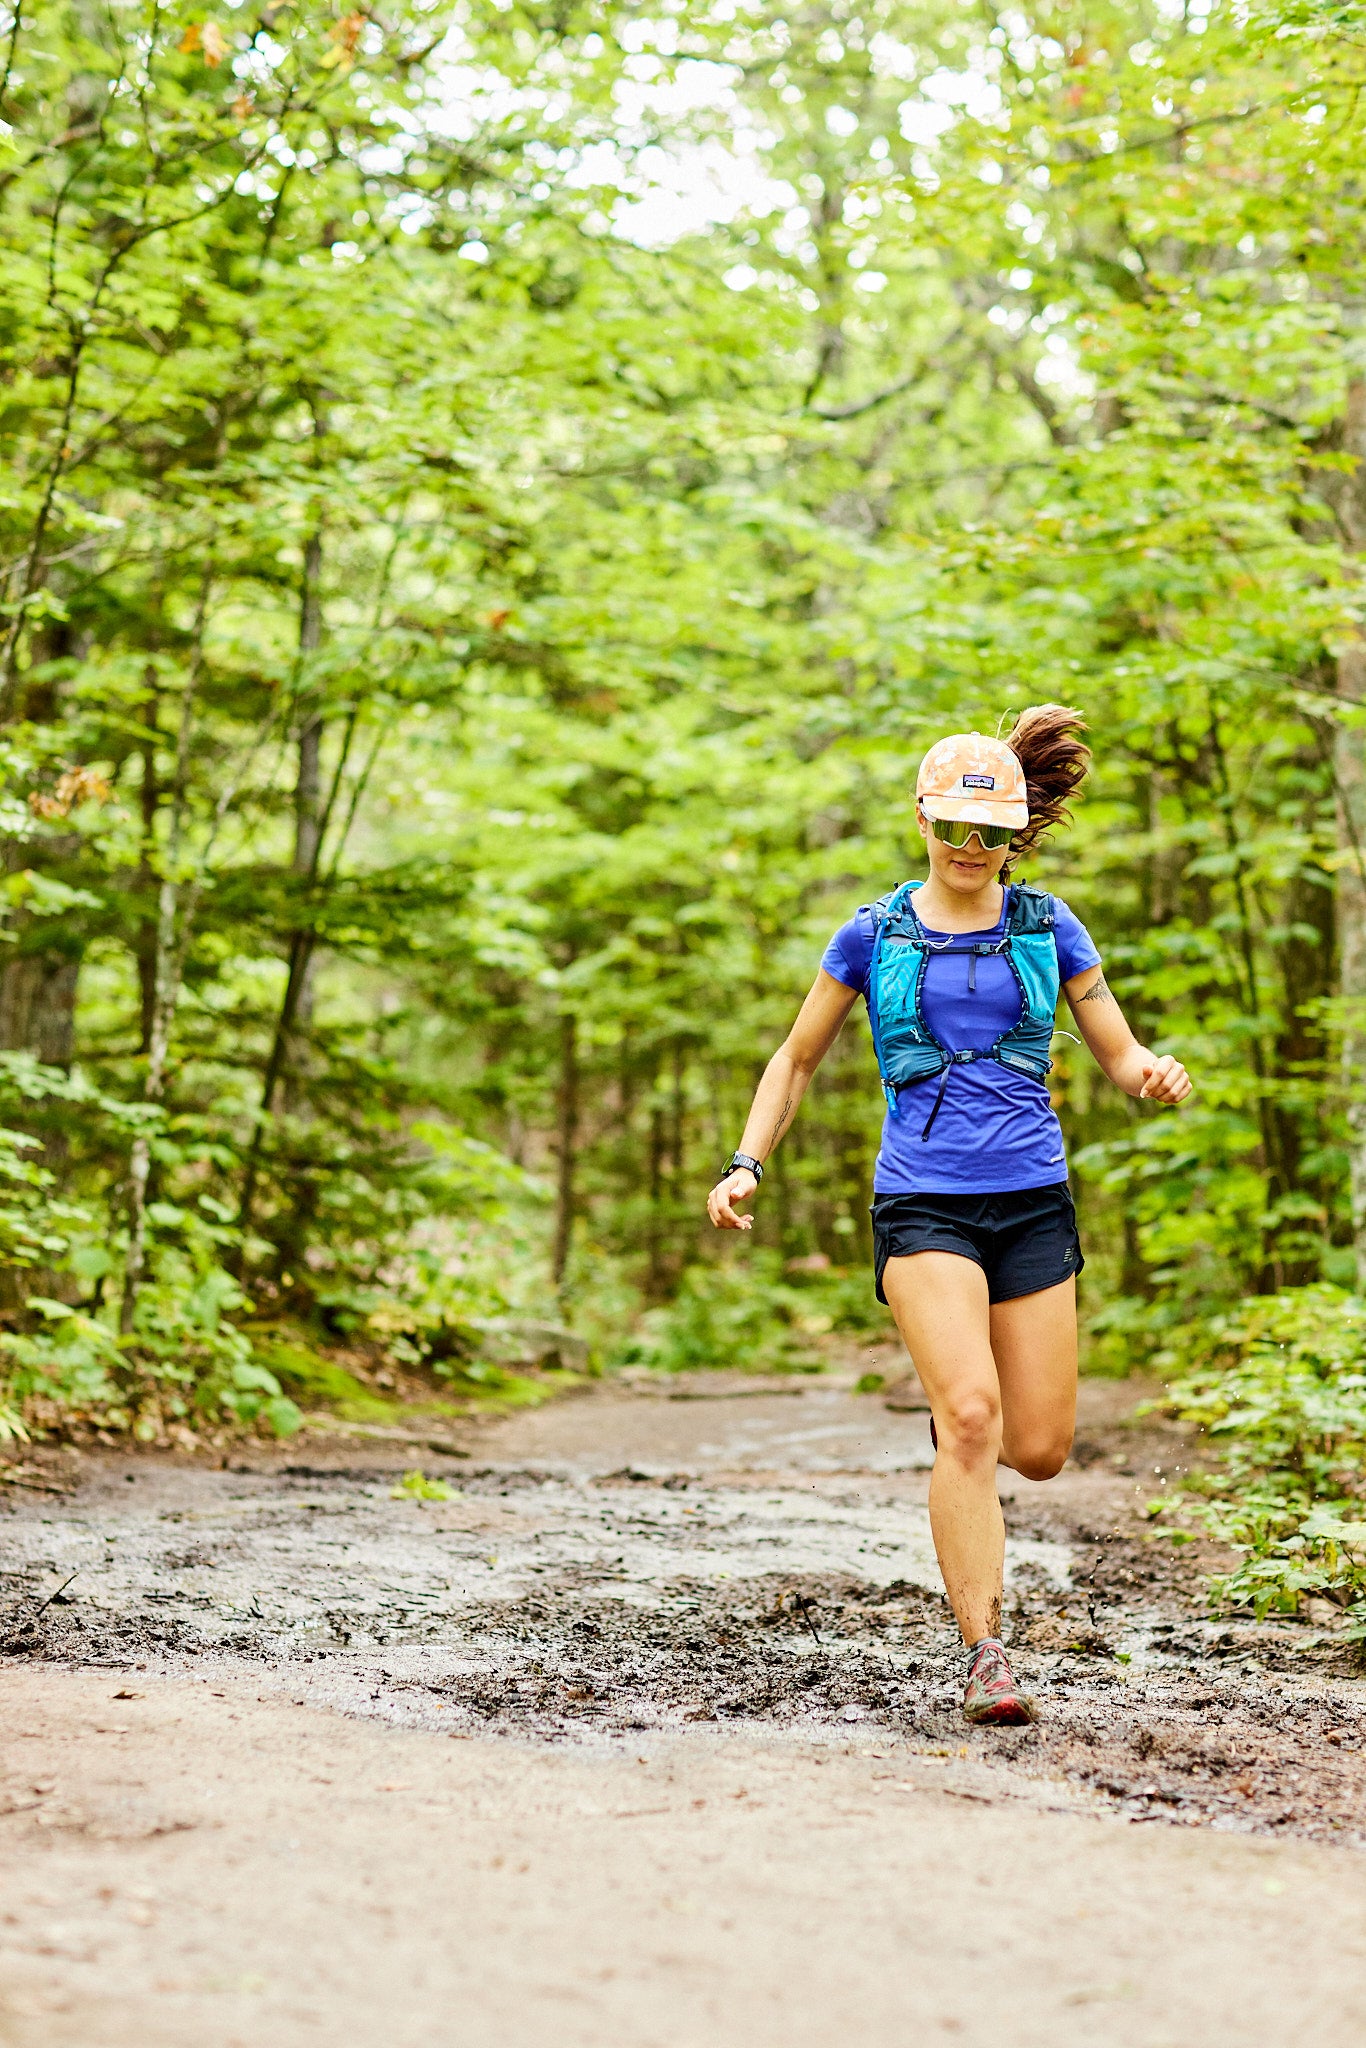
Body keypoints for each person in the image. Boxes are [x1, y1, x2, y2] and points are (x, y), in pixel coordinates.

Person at [705, 708, 1192, 1725]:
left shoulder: (1048, 927)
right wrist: (748, 1159)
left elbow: (1116, 1048)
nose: (969, 849)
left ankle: (960, 1416)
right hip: (922, 1197)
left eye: (990, 833)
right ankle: (985, 1652)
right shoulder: (871, 933)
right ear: (922, 820)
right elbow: (795, 1058)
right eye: (952, 828)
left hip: (1029, 1196)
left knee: (1042, 1445)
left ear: (1015, 834)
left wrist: (1149, 1074)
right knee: (971, 1413)